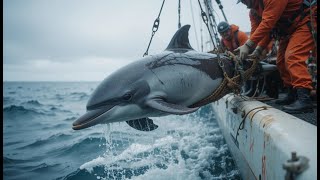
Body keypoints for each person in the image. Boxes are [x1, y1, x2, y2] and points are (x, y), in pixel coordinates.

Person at [235, 0, 317, 113]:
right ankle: (292, 94)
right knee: (281, 62)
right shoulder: (254, 12)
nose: (243, 2)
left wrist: (248, 45)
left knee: (293, 56)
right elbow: (259, 32)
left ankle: (304, 100)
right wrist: (257, 50)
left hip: (304, 20)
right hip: (287, 30)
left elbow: (268, 22)